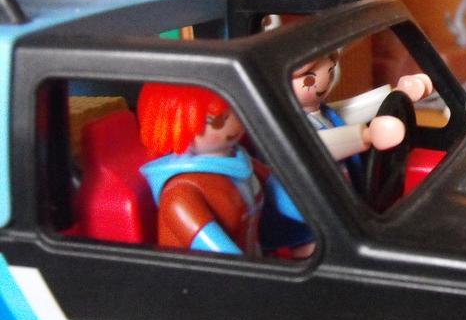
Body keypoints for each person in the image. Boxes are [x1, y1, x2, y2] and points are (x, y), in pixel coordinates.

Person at [138, 83, 304, 256]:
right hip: (209, 272)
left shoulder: (242, 163)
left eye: (237, 109)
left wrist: (317, 220)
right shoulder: (180, 194)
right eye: (218, 121)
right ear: (178, 125)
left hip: (254, 256)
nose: (236, 121)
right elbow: (220, 253)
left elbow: (289, 200)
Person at [290, 52, 432, 187]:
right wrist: (367, 135)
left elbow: (353, 109)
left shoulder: (326, 113)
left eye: (331, 72)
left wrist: (400, 92)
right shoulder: (292, 129)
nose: (325, 81)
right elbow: (317, 146)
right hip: (313, 194)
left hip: (346, 183)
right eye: (309, 81)